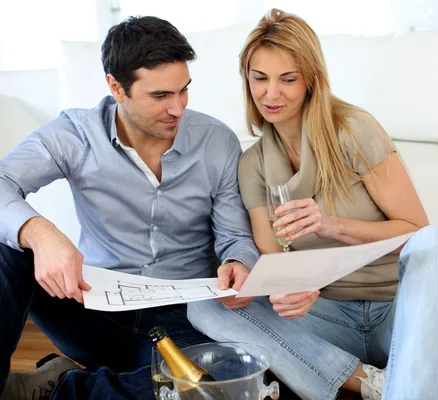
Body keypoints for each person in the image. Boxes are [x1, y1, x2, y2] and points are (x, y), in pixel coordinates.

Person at [187, 8, 438, 400]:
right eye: (259, 79)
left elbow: (414, 231)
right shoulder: (252, 165)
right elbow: (273, 260)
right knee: (204, 306)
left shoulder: (353, 130)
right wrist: (293, 288)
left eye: (288, 79)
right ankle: (368, 381)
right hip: (325, 319)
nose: (271, 94)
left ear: (311, 80)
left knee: (437, 242)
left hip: (399, 314)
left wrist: (332, 226)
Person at [0, 16, 259, 400]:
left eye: (183, 91)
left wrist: (240, 263)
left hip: (181, 319)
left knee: (228, 380)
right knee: (7, 248)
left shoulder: (216, 141)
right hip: (90, 306)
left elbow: (236, 238)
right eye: (160, 96)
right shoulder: (76, 133)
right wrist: (38, 232)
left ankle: (66, 389)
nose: (177, 108)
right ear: (116, 87)